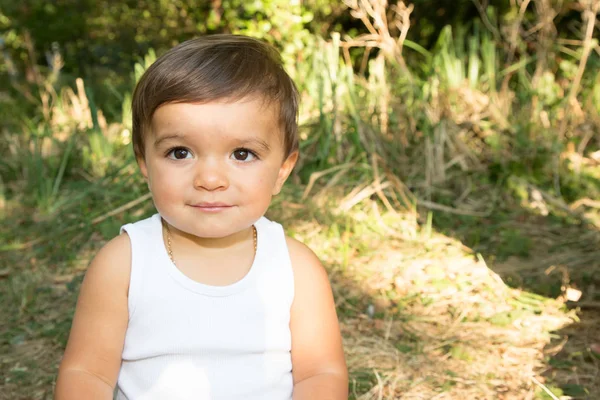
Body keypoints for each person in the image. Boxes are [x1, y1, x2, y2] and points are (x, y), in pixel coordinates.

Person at [55, 34, 348, 399]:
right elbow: (87, 374)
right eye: (180, 152)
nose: (210, 180)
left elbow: (320, 374)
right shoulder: (124, 263)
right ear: (144, 161)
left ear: (283, 169)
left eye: (242, 154)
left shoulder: (295, 268)